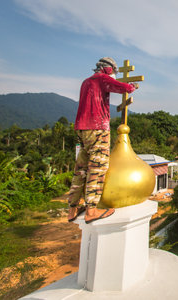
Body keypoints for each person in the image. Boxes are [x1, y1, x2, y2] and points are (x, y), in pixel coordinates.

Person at [67, 57, 137, 224]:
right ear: (108, 69)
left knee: (81, 168)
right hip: (97, 128)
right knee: (97, 167)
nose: (114, 74)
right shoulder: (102, 79)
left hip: (81, 128)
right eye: (113, 71)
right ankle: (91, 210)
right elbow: (126, 87)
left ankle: (72, 209)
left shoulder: (86, 82)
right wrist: (132, 86)